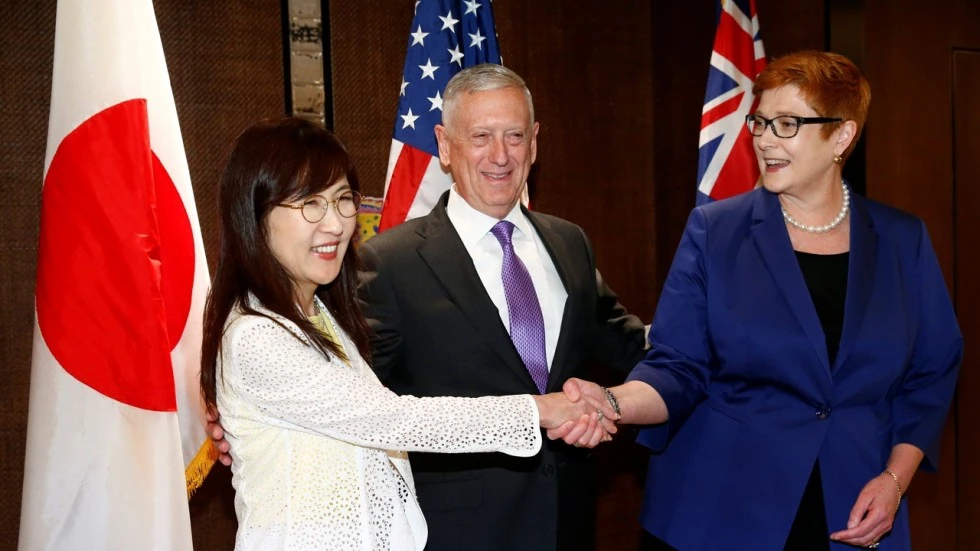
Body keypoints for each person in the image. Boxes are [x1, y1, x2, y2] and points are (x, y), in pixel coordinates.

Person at [558, 50, 963, 551]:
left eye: (787, 124)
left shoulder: (903, 240)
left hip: (854, 506)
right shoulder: (715, 231)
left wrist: (895, 480)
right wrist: (613, 403)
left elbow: (932, 371)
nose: (765, 139)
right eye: (761, 122)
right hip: (723, 506)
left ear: (842, 136)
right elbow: (678, 366)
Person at [199, 117, 613, 551]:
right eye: (310, 203)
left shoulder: (323, 314)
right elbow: (393, 420)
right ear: (254, 215)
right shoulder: (255, 335)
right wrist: (540, 410)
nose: (336, 224)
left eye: (342, 200)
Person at [355, 64, 647, 551]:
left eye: (514, 136)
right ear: (445, 145)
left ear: (534, 143)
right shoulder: (389, 262)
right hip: (458, 534)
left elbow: (626, 342)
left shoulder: (569, 242)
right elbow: (361, 402)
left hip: (569, 523)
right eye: (481, 136)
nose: (500, 155)